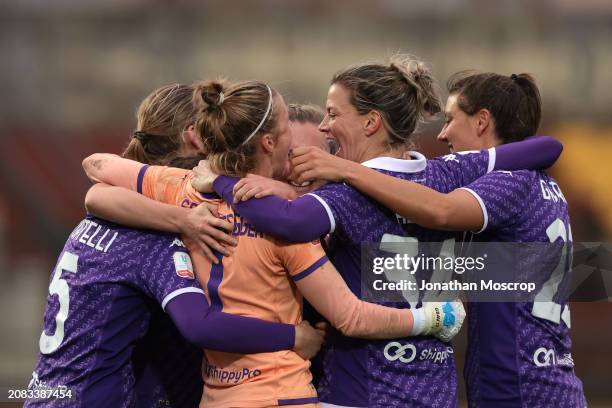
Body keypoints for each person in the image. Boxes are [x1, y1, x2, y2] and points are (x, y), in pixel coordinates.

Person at [191, 57, 565, 408]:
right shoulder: (446, 174)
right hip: (436, 391)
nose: (324, 126)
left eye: (334, 114)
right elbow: (548, 147)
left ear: (371, 123)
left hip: (361, 391)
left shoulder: (345, 194)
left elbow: (289, 222)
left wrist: (222, 181)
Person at [82, 79, 465, 408]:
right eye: (289, 134)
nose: (306, 151)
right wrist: (432, 318)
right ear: (268, 143)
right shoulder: (291, 224)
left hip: (219, 396)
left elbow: (97, 169)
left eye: (332, 118)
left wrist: (204, 198)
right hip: (291, 393)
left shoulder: (183, 190)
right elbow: (352, 315)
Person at [287, 71, 586, 407]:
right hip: (549, 378)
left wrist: (347, 172)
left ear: (482, 121)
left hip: (517, 384)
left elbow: (440, 211)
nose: (442, 134)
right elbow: (510, 274)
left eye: (450, 119)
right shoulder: (544, 186)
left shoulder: (507, 183)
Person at [24, 84, 326, 408]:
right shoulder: (173, 223)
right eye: (289, 149)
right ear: (197, 137)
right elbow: (200, 324)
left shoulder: (124, 210)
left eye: (320, 155)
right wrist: (297, 337)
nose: (296, 165)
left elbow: (96, 188)